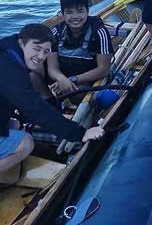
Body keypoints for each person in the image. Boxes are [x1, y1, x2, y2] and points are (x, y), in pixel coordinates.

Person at [0, 24, 104, 185]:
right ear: (21, 43)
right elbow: (36, 109)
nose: (41, 56)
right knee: (26, 142)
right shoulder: (9, 69)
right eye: (37, 48)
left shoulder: (7, 51)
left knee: (14, 125)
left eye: (46, 51)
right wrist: (80, 134)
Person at [44, 0, 113, 98]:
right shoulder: (56, 32)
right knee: (34, 74)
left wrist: (72, 80)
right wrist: (61, 79)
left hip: (86, 80)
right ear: (62, 14)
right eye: (69, 12)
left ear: (87, 11)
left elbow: (103, 69)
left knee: (76, 94)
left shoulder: (99, 32)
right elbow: (52, 67)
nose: (75, 16)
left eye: (80, 11)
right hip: (61, 78)